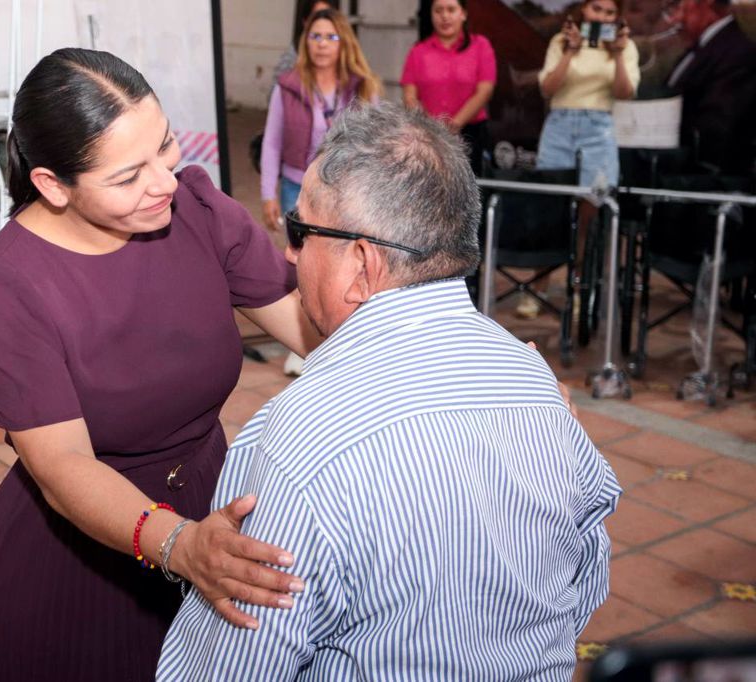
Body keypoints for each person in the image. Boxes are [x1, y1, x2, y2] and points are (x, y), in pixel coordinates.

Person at [158, 103, 620, 680]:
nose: (289, 254)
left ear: (361, 263)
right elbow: (587, 574)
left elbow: (232, 666)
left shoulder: (297, 442)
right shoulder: (536, 384)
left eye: (301, 232)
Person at [0, 49, 316, 681]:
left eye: (165, 146)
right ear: (52, 185)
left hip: (210, 514)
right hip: (77, 558)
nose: (164, 183)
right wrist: (180, 544)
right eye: (128, 177)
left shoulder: (197, 211)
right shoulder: (9, 287)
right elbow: (63, 464)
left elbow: (316, 333)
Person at [260, 8, 381, 375]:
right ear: (305, 42)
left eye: (330, 37)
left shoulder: (362, 87)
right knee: (300, 266)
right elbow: (271, 142)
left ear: (343, 42)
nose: (322, 44)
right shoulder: (287, 86)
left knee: (342, 266)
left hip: (343, 190)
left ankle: (344, 340)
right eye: (315, 36)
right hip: (296, 187)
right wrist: (267, 193)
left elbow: (375, 145)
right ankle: (302, 345)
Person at [523, 0, 640, 319]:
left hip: (599, 127)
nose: (601, 16)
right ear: (584, 10)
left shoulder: (625, 46)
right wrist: (570, 52)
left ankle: (580, 288)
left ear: (617, 17)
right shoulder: (561, 41)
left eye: (609, 12)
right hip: (560, 125)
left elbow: (625, 92)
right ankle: (538, 288)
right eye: (596, 9)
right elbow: (547, 88)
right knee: (550, 210)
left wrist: (617, 54)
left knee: (591, 211)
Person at [400, 0, 497, 173]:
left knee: (470, 184)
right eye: (438, 11)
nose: (444, 16)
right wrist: (429, 127)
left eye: (451, 10)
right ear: (431, 15)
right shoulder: (418, 51)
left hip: (471, 133)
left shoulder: (480, 46)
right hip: (429, 135)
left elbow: (485, 90)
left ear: (463, 14)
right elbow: (409, 96)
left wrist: (454, 125)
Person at [665, 0, 756, 175]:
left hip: (702, 174)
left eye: (679, 6)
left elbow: (716, 129)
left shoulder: (737, 53)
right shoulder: (703, 47)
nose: (674, 19)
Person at [272, 0, 340, 86]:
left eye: (328, 16)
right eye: (316, 17)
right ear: (305, 22)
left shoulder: (345, 54)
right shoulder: (292, 60)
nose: (322, 22)